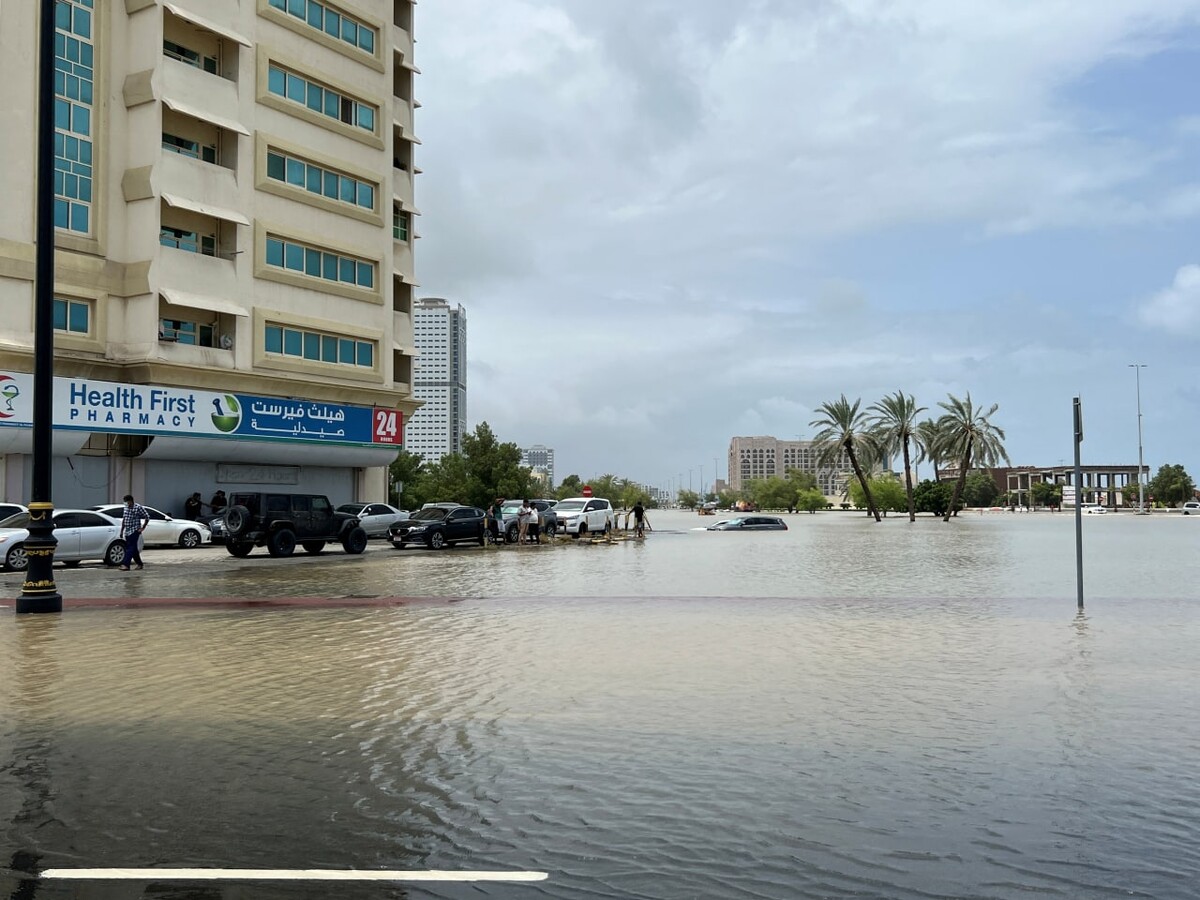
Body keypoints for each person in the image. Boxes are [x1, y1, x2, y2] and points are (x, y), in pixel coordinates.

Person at [119, 494, 150, 571]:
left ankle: (126, 564)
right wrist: (122, 530)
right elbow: (124, 519)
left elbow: (147, 516)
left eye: (127, 502)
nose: (126, 503)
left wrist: (143, 528)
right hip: (127, 531)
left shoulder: (138, 508)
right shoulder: (125, 508)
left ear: (131, 501)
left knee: (130, 548)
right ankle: (139, 564)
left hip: (135, 530)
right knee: (133, 549)